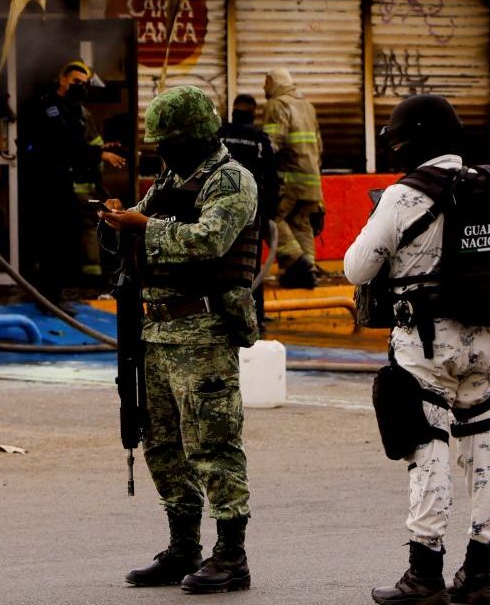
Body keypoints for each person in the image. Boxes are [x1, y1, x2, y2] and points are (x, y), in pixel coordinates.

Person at [344, 94, 490, 605]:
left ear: (410, 140)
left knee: (429, 449)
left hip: (426, 342)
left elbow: (357, 267)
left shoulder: (404, 195)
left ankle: (424, 574)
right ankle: (481, 574)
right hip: (489, 336)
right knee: (486, 449)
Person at [100, 86, 260, 595]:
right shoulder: (172, 178)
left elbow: (209, 239)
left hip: (205, 332)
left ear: (193, 137)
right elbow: (142, 222)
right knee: (162, 444)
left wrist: (142, 225)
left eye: (169, 142)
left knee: (212, 445)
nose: (162, 152)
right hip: (157, 332)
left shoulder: (231, 180)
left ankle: (231, 555)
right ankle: (183, 546)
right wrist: (115, 219)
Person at [18, 61, 126, 302]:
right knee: (49, 239)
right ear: (63, 80)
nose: (81, 87)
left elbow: (78, 144)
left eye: (85, 83)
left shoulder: (76, 110)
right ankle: (45, 293)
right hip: (43, 185)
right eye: (76, 82)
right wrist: (98, 154)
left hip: (66, 184)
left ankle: (58, 292)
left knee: (67, 237)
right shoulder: (47, 107)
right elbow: (60, 142)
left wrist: (99, 150)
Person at [262, 68, 324, 289]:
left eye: (265, 83)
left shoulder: (276, 105)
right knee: (302, 225)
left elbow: (271, 144)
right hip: (312, 180)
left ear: (273, 82)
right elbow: (319, 147)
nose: (263, 88)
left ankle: (298, 263)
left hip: (289, 179)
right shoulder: (307, 106)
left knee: (270, 218)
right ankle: (309, 274)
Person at [217, 93, 280, 271]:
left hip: (220, 211)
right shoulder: (260, 139)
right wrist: (270, 214)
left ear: (233, 112)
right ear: (253, 114)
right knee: (251, 266)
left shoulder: (220, 136)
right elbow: (271, 179)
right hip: (252, 214)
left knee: (221, 265)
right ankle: (253, 298)